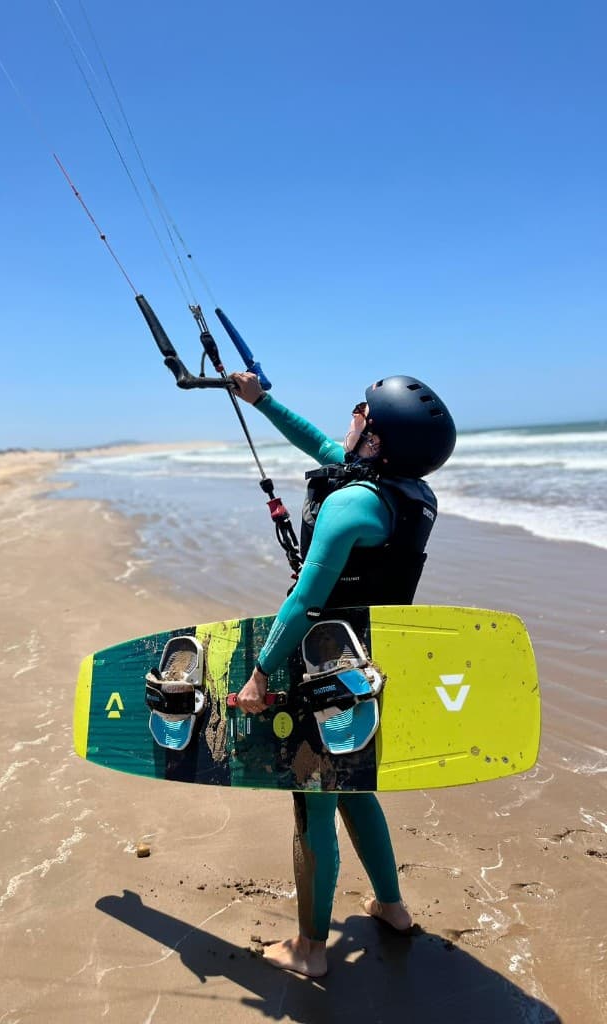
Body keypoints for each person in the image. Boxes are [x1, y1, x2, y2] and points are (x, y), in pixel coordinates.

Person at [230, 371, 456, 978]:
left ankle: (310, 949)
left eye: (363, 414)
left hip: (323, 663)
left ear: (377, 443)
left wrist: (259, 674)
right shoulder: (409, 496)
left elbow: (305, 600)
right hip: (374, 666)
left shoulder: (349, 504)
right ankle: (391, 906)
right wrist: (262, 401)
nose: (352, 418)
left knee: (314, 802)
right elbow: (324, 449)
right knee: (357, 789)